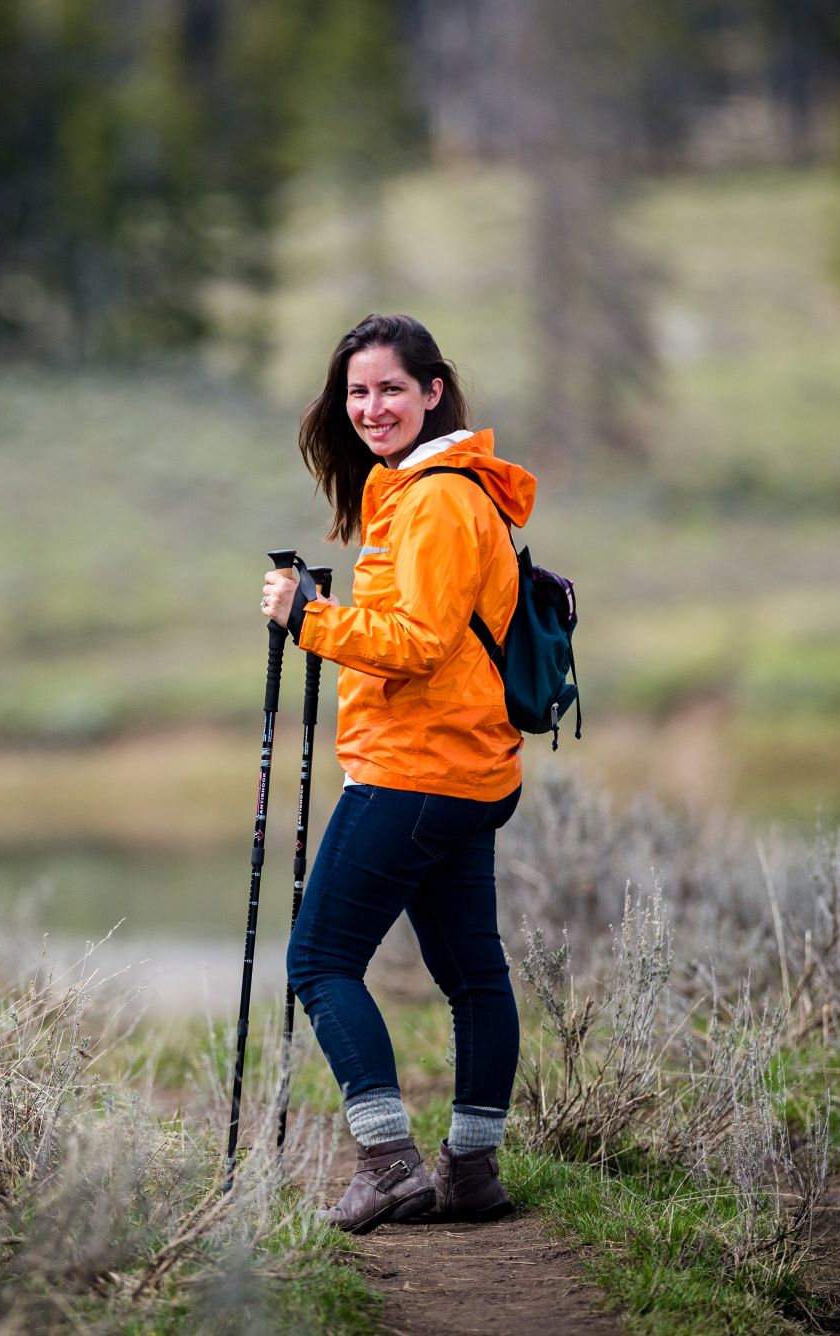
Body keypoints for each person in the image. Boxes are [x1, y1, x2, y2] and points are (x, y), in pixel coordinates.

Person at [258, 312, 535, 1234]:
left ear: (433, 391)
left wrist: (309, 618)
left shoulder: (436, 500)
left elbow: (415, 644)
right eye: (357, 392)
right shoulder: (426, 492)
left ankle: (388, 1166)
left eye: (388, 389)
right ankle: (471, 1170)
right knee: (472, 974)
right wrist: (336, 611)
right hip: (462, 769)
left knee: (320, 960)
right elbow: (429, 625)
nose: (371, 407)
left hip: (415, 771)